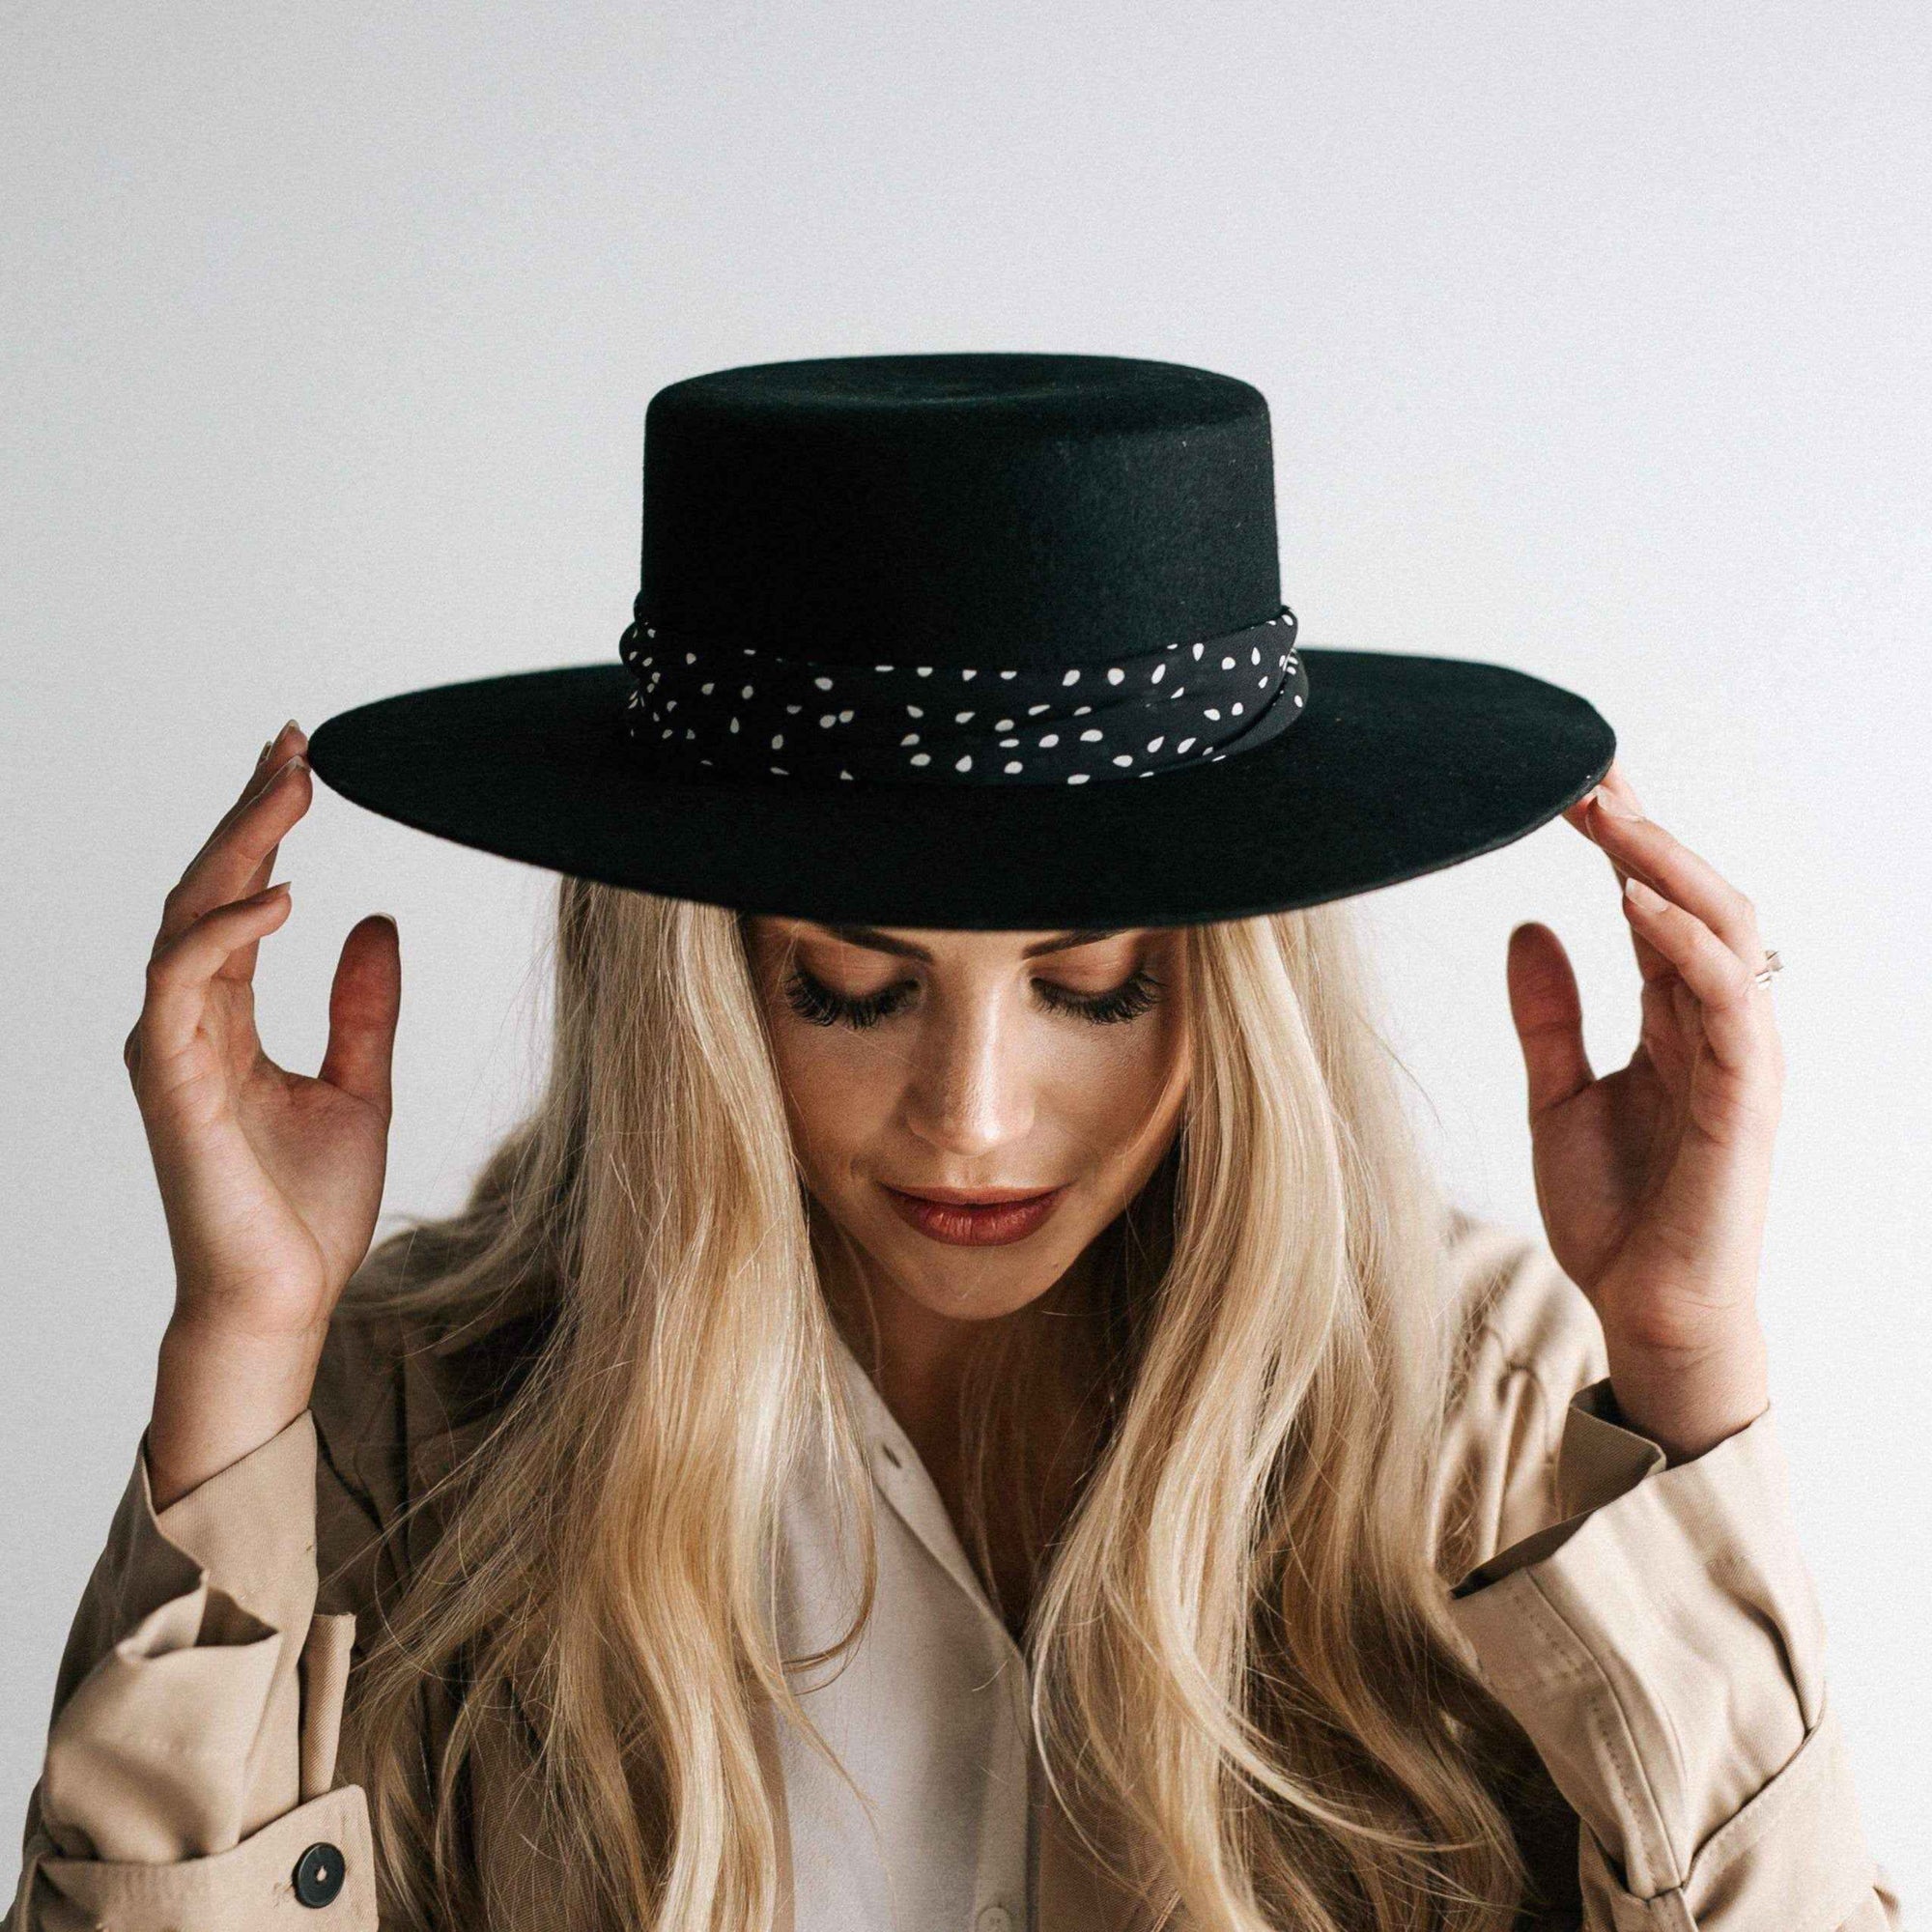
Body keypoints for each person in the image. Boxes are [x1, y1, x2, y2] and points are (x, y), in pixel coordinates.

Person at [5, 355, 1901, 1932]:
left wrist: (1683, 1366)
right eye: (849, 988)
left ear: (1232, 989)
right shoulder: (419, 1426)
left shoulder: (1479, 1408)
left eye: (1092, 987)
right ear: (694, 992)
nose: (976, 1118)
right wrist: (242, 1346)